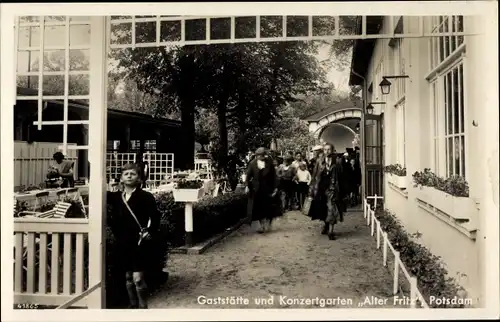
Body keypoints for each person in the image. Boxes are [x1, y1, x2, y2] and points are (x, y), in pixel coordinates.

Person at [107, 163, 161, 309]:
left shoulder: (146, 196)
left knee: (138, 279)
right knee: (128, 277)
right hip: (122, 242)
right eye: (126, 174)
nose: (129, 176)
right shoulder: (115, 197)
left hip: (139, 242)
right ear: (121, 179)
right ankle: (132, 305)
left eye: (133, 173)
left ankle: (143, 307)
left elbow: (155, 217)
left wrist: (150, 232)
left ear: (139, 178)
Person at [308, 144, 344, 240]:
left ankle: (331, 231)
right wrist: (312, 189)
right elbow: (315, 176)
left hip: (332, 188)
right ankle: (326, 225)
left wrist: (339, 189)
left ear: (332, 150)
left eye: (329, 149)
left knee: (332, 208)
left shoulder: (337, 161)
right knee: (323, 208)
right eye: (325, 149)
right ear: (323, 151)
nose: (327, 151)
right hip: (321, 188)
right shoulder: (319, 161)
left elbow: (341, 176)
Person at [245, 147, 280, 233]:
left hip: (268, 188)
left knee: (268, 207)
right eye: (259, 156)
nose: (261, 157)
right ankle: (262, 225)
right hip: (257, 189)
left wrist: (276, 187)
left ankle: (267, 222)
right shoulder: (252, 164)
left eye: (262, 155)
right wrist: (247, 186)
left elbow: (274, 176)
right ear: (256, 156)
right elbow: (248, 176)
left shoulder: (269, 163)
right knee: (259, 208)